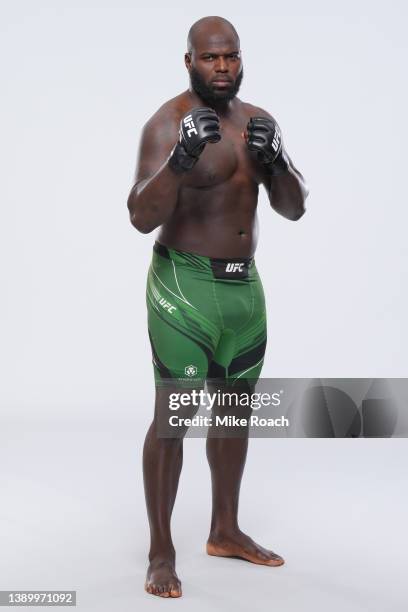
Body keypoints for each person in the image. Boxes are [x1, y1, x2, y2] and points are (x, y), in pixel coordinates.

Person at [127, 15, 308, 598]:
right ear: (189, 62)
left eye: (231, 56)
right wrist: (179, 160)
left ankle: (225, 530)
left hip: (244, 292)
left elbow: (294, 207)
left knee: (234, 414)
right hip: (183, 286)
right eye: (210, 58)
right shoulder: (166, 123)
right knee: (175, 416)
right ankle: (160, 552)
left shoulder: (259, 122)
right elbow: (139, 215)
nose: (223, 67)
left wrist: (278, 160)